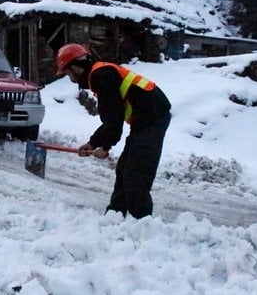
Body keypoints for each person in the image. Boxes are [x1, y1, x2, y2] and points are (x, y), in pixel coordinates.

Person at [55, 43, 171, 219]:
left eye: (68, 73)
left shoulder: (101, 76)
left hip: (152, 119)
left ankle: (142, 223)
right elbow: (112, 118)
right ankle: (114, 217)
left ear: (76, 68)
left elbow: (114, 119)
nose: (70, 79)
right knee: (124, 169)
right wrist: (93, 142)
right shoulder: (101, 73)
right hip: (144, 121)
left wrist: (105, 146)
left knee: (135, 172)